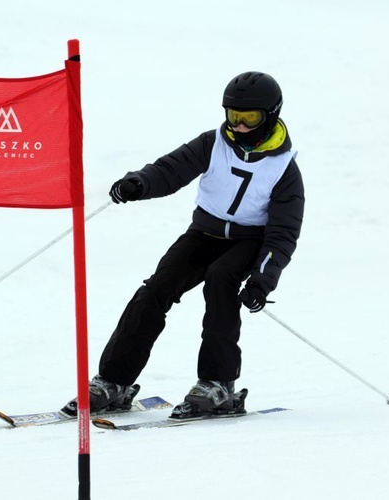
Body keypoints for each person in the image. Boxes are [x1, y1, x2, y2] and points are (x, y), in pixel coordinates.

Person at [62, 71, 305, 419]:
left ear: (271, 115)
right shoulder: (213, 143)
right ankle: (114, 381)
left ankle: (217, 385)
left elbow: (283, 232)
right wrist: (139, 184)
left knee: (222, 281)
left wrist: (262, 280)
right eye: (233, 116)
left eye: (249, 118)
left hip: (248, 241)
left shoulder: (284, 168)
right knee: (155, 290)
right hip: (203, 235)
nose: (239, 126)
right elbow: (170, 170)